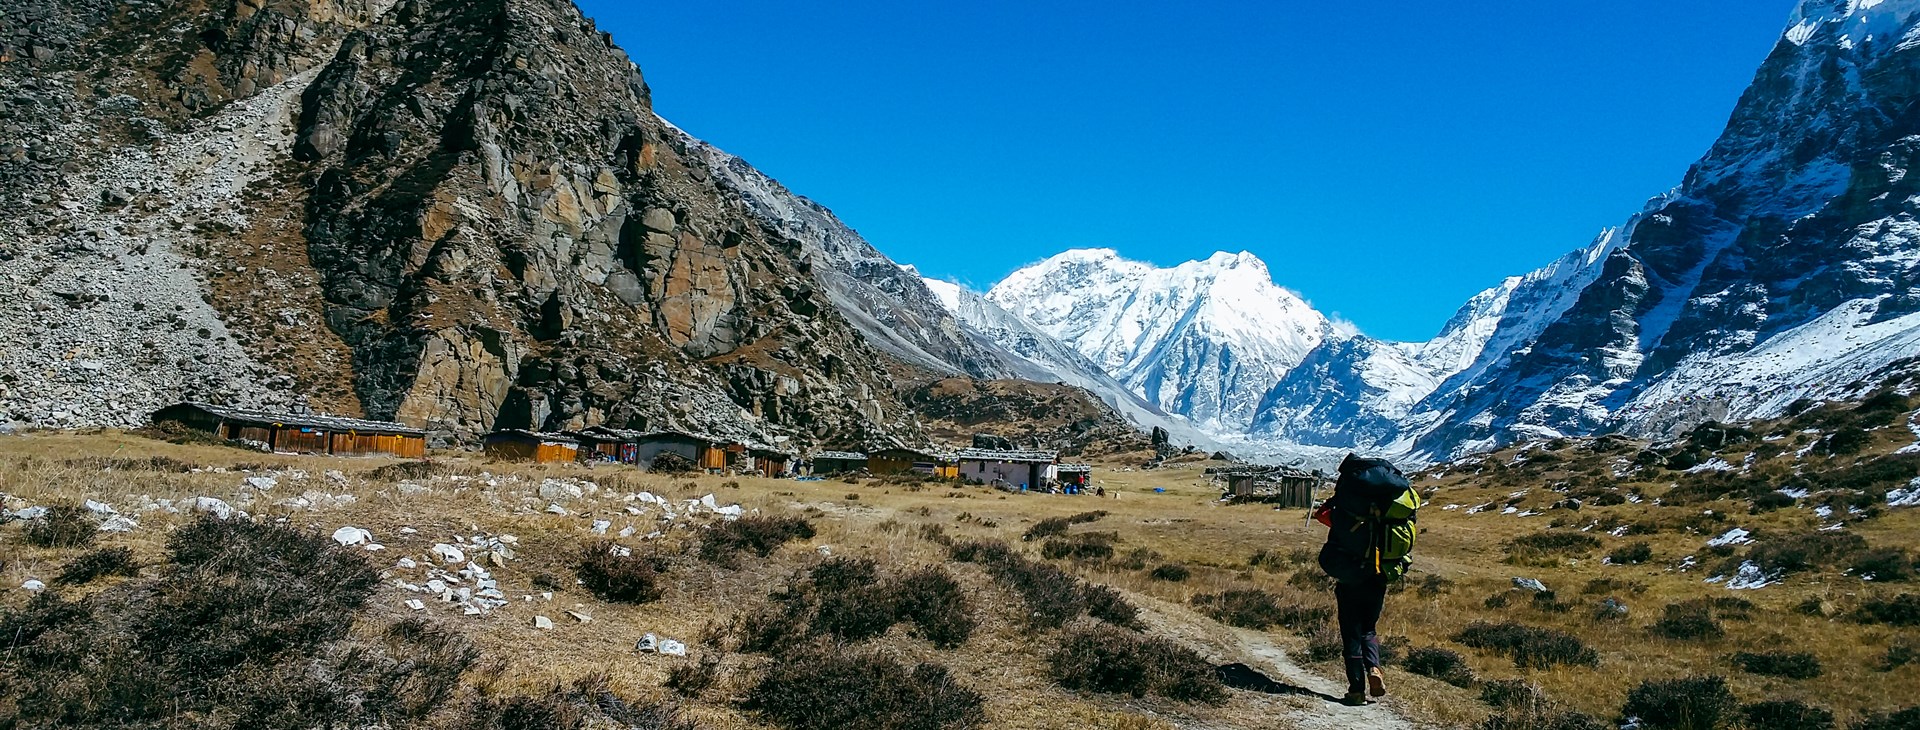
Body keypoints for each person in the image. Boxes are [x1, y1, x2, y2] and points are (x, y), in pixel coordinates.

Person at [1314, 453, 1422, 707]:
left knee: (1350, 630)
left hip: (1351, 571)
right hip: (1380, 572)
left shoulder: (1350, 501)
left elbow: (1327, 519)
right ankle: (1374, 668)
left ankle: (1356, 690)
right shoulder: (1392, 501)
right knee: (1369, 628)